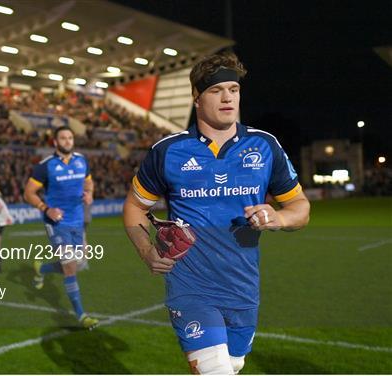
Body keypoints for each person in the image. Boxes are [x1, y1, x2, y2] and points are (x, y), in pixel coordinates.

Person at [123, 51, 310, 375]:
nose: (227, 97)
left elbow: (300, 208)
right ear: (197, 96)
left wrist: (279, 218)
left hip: (243, 289)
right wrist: (145, 249)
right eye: (216, 90)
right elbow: (135, 206)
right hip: (191, 289)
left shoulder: (264, 146)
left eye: (233, 90)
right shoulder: (168, 151)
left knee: (233, 365)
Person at [24, 126, 99, 330]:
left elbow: (89, 184)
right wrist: (45, 208)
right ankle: (81, 315)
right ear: (55, 142)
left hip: (77, 221)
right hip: (57, 223)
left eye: (70, 137)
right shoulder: (45, 166)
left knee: (79, 263)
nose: (67, 141)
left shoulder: (81, 161)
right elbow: (29, 192)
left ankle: (43, 267)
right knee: (69, 265)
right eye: (63, 138)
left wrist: (89, 194)